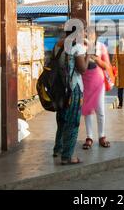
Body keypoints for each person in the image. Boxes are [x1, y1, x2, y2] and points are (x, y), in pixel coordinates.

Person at [52, 23, 91, 165]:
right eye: (83, 31)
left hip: (59, 88)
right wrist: (89, 55)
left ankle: (58, 149)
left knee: (62, 119)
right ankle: (67, 156)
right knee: (73, 121)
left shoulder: (58, 45)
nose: (85, 34)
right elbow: (82, 69)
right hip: (73, 89)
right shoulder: (78, 47)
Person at [82, 27, 112, 150]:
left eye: (92, 34)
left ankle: (102, 136)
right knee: (87, 109)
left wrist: (98, 60)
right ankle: (89, 137)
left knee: (100, 110)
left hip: (98, 81)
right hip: (84, 82)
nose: (89, 36)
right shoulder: (80, 46)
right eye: (87, 33)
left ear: (95, 35)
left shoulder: (101, 47)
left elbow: (107, 66)